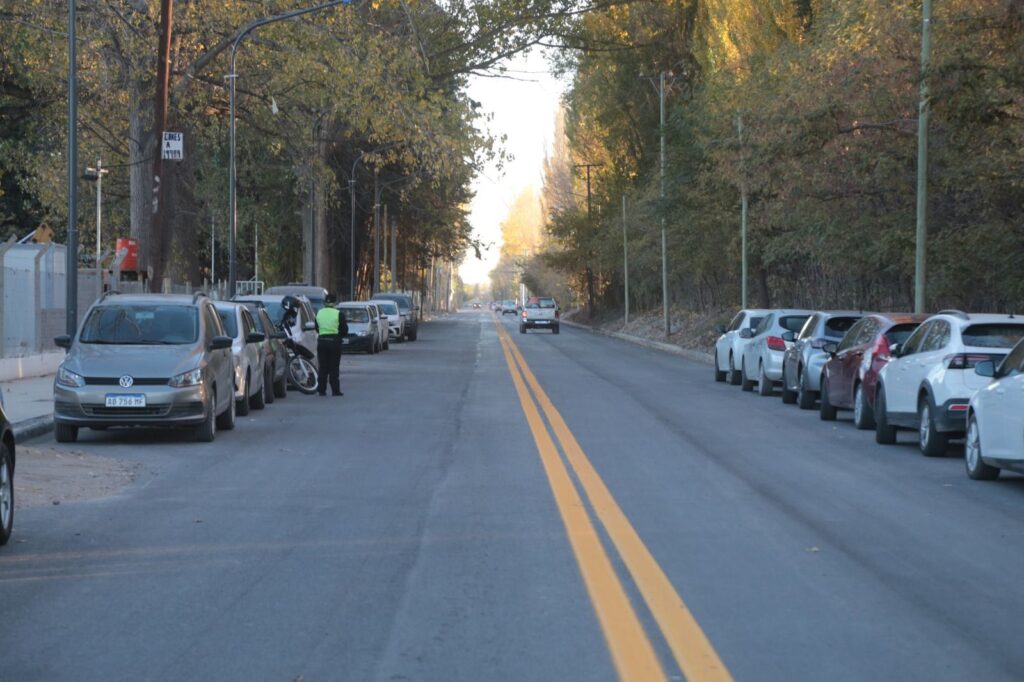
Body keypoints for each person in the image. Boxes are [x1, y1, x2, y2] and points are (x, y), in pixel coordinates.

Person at [315, 293, 347, 397]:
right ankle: (335, 390)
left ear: (325, 302)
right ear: (335, 303)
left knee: (323, 367)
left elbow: (316, 327)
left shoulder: (319, 313)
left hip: (322, 341)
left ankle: (321, 390)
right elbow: (344, 330)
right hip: (334, 342)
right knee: (334, 367)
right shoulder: (338, 313)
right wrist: (340, 336)